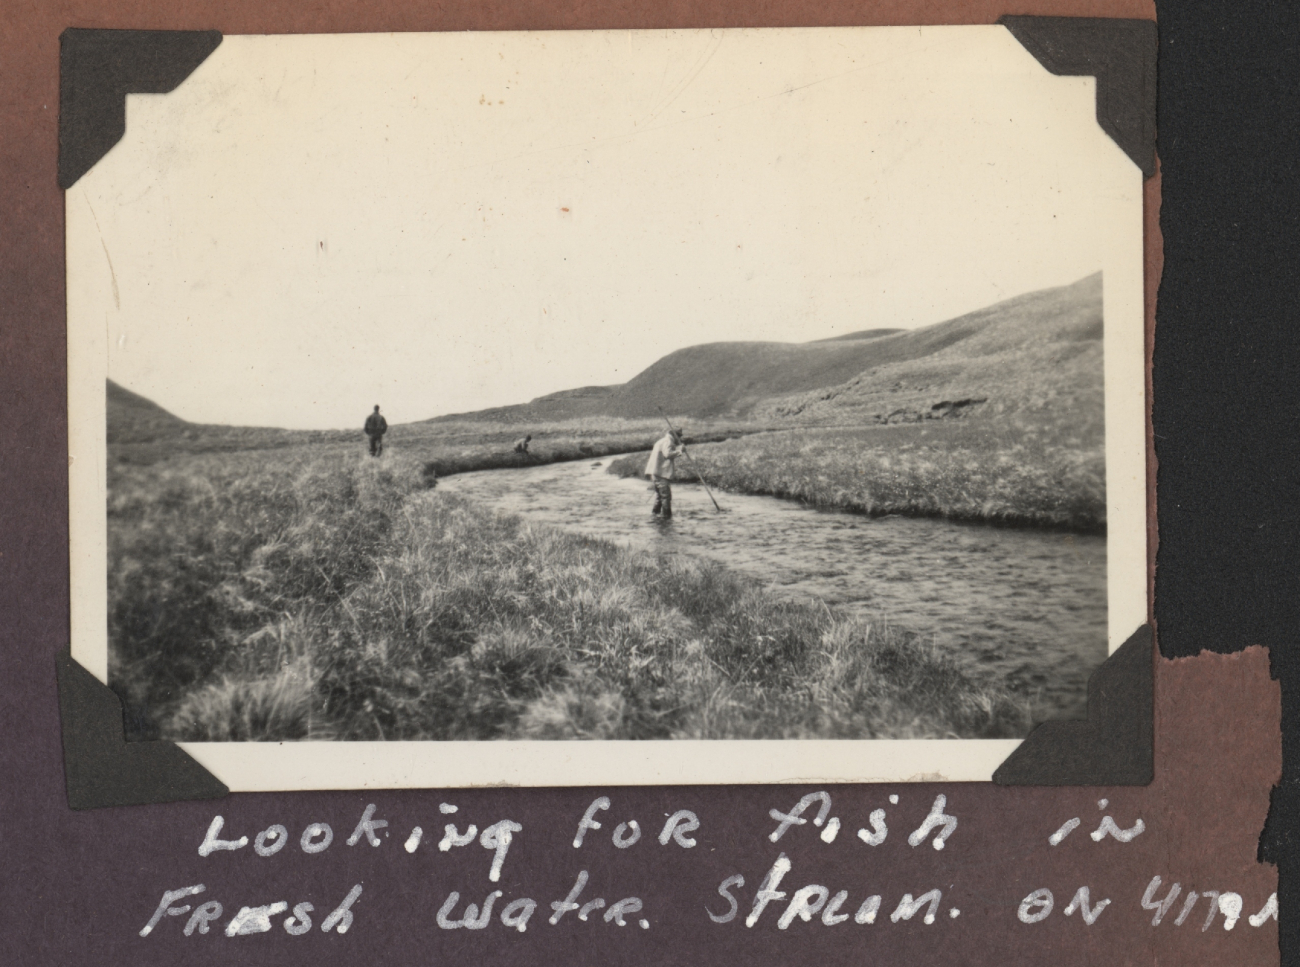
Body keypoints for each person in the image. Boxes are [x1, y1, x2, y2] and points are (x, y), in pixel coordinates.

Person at [644, 427, 685, 519]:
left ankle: (655, 516)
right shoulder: (668, 441)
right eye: (679, 436)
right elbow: (667, 454)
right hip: (661, 474)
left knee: (659, 497)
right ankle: (667, 518)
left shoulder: (662, 441)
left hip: (655, 473)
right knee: (666, 497)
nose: (680, 439)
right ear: (675, 436)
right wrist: (680, 451)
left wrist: (678, 449)